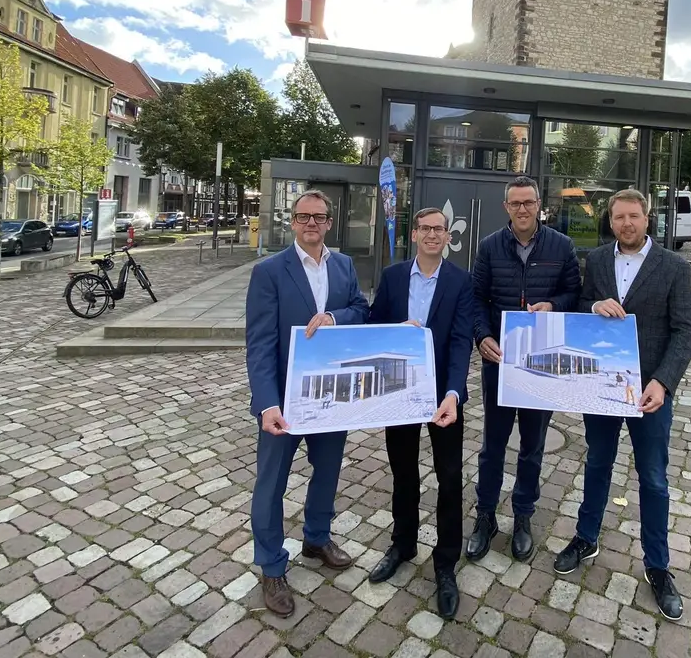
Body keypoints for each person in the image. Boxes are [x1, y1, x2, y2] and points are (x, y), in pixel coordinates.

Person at [553, 188, 691, 620]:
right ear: (610, 220)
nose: (626, 224)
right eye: (618, 217)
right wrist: (594, 303)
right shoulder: (596, 261)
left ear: (647, 218)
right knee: (597, 462)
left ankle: (658, 566)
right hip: (603, 385)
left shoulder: (674, 266)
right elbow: (580, 307)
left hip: (650, 391)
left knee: (652, 478)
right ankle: (586, 536)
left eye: (633, 216)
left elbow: (685, 330)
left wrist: (664, 382)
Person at [244, 190, 370, 617]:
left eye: (318, 217)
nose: (311, 223)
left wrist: (336, 318)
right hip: (284, 401)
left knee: (328, 471)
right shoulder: (269, 271)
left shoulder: (344, 266)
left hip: (331, 397)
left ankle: (316, 538)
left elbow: (360, 309)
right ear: (292, 222)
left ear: (329, 223)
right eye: (303, 217)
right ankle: (272, 565)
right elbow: (259, 344)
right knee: (271, 483)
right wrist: (266, 404)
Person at [365, 207, 477, 617]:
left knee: (449, 478)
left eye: (439, 230)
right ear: (414, 235)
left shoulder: (460, 281)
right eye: (425, 229)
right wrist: (398, 334)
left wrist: (454, 393)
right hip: (400, 394)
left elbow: (463, 338)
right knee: (403, 472)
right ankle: (403, 544)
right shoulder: (394, 277)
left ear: (448, 237)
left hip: (444, 398)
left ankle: (445, 563)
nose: (432, 235)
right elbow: (375, 327)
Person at [467, 175, 582, 563]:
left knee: (532, 446)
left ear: (539, 205)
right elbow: (476, 298)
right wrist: (482, 336)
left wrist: (554, 305)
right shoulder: (488, 247)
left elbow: (574, 294)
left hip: (541, 363)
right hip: (499, 359)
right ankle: (485, 516)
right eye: (515, 203)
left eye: (528, 203)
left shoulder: (561, 246)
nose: (522, 209)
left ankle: (522, 516)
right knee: (493, 445)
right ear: (506, 207)